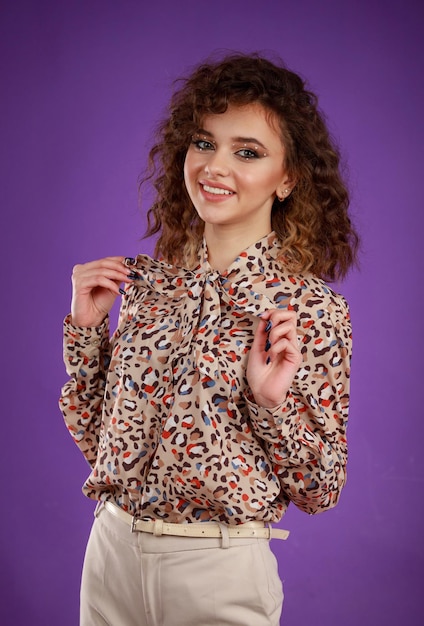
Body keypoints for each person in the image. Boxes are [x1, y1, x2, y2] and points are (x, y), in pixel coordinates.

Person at [59, 52, 359, 626]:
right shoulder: (150, 287)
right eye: (204, 143)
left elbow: (322, 488)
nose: (215, 166)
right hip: (110, 555)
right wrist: (88, 338)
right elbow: (102, 444)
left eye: (247, 152)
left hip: (216, 570)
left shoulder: (310, 309)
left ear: (289, 177)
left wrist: (269, 406)